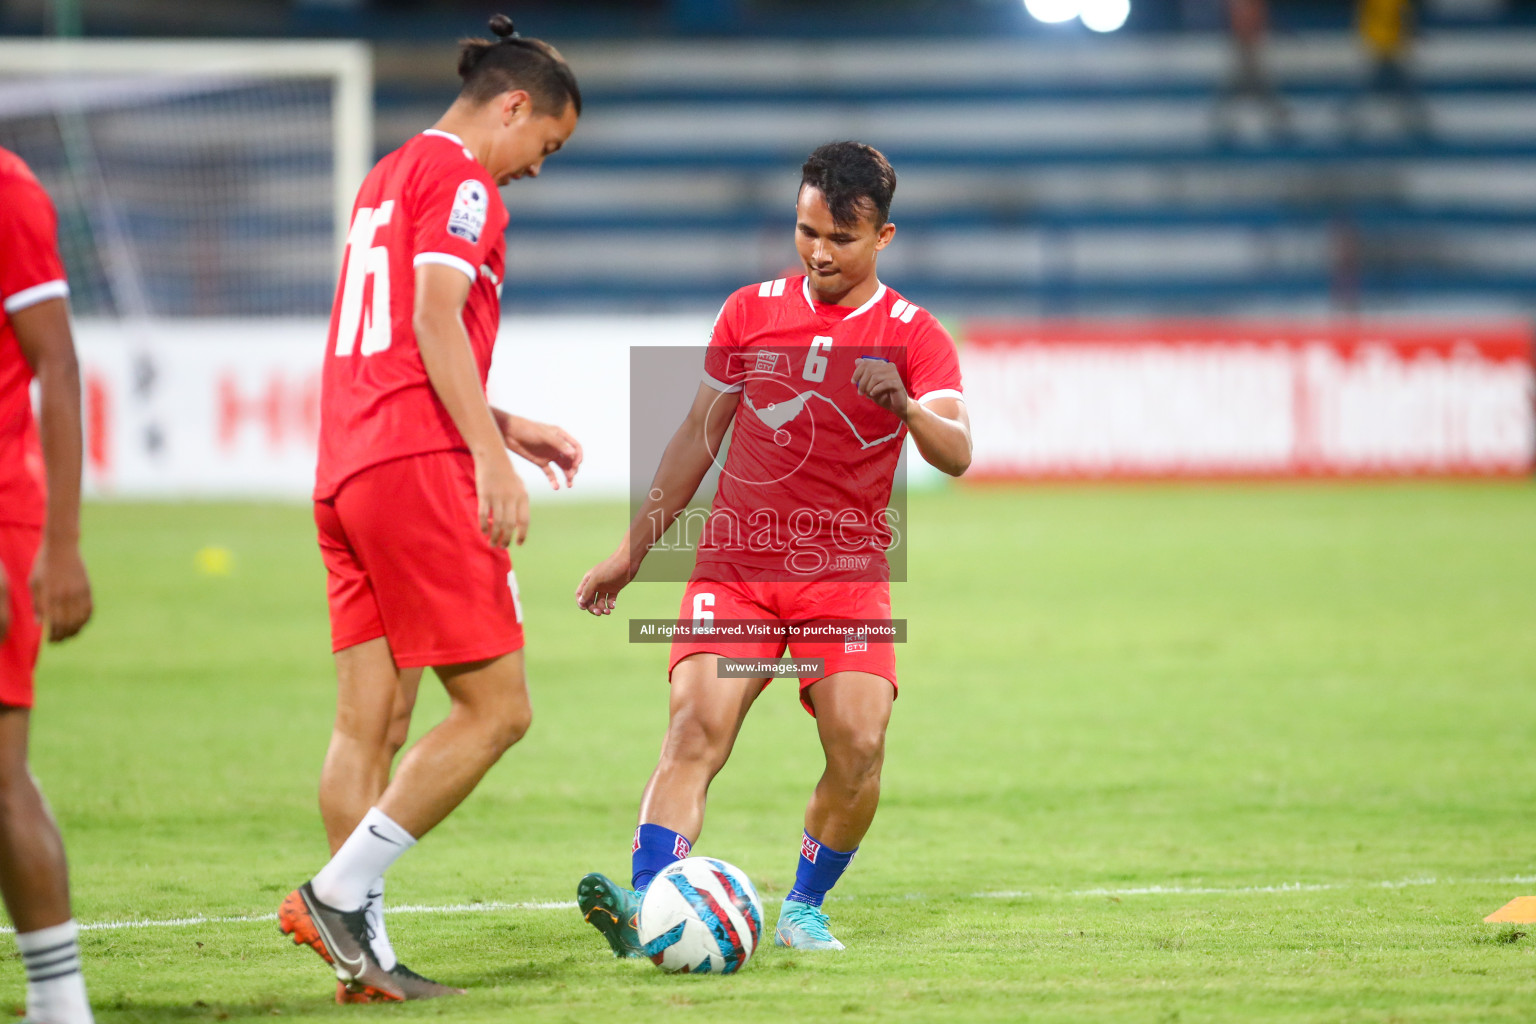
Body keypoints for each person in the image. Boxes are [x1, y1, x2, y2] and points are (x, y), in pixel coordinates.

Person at [574, 141, 971, 954]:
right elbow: (696, 436)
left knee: (859, 744)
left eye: (841, 239)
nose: (820, 253)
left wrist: (907, 408)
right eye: (806, 231)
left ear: (883, 239)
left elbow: (957, 452)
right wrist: (633, 550)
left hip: (846, 577)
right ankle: (651, 904)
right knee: (694, 728)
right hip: (740, 567)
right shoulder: (749, 311)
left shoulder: (915, 336)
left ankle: (804, 906)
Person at [277, 14, 583, 1002]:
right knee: (498, 710)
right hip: (416, 467)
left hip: (348, 467)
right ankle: (337, 893)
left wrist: (503, 418)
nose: (540, 169)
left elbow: (394, 340)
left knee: (371, 721)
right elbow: (432, 315)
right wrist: (488, 456)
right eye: (548, 145)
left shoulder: (386, 176)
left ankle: (361, 960)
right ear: (515, 104)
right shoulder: (460, 181)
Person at [0, 145, 96, 1024]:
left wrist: (58, 545)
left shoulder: (7, 190)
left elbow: (56, 365)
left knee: (1, 773)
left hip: (4, 519)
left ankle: (60, 1004)